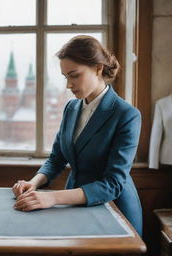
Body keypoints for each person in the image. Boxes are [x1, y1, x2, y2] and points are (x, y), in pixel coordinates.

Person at [12, 35, 143, 236]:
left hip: (115, 210)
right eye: (66, 77)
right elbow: (56, 159)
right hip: (73, 205)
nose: (68, 85)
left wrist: (53, 198)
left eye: (74, 75)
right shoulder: (71, 108)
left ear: (98, 69)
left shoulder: (126, 115)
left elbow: (113, 183)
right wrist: (34, 182)